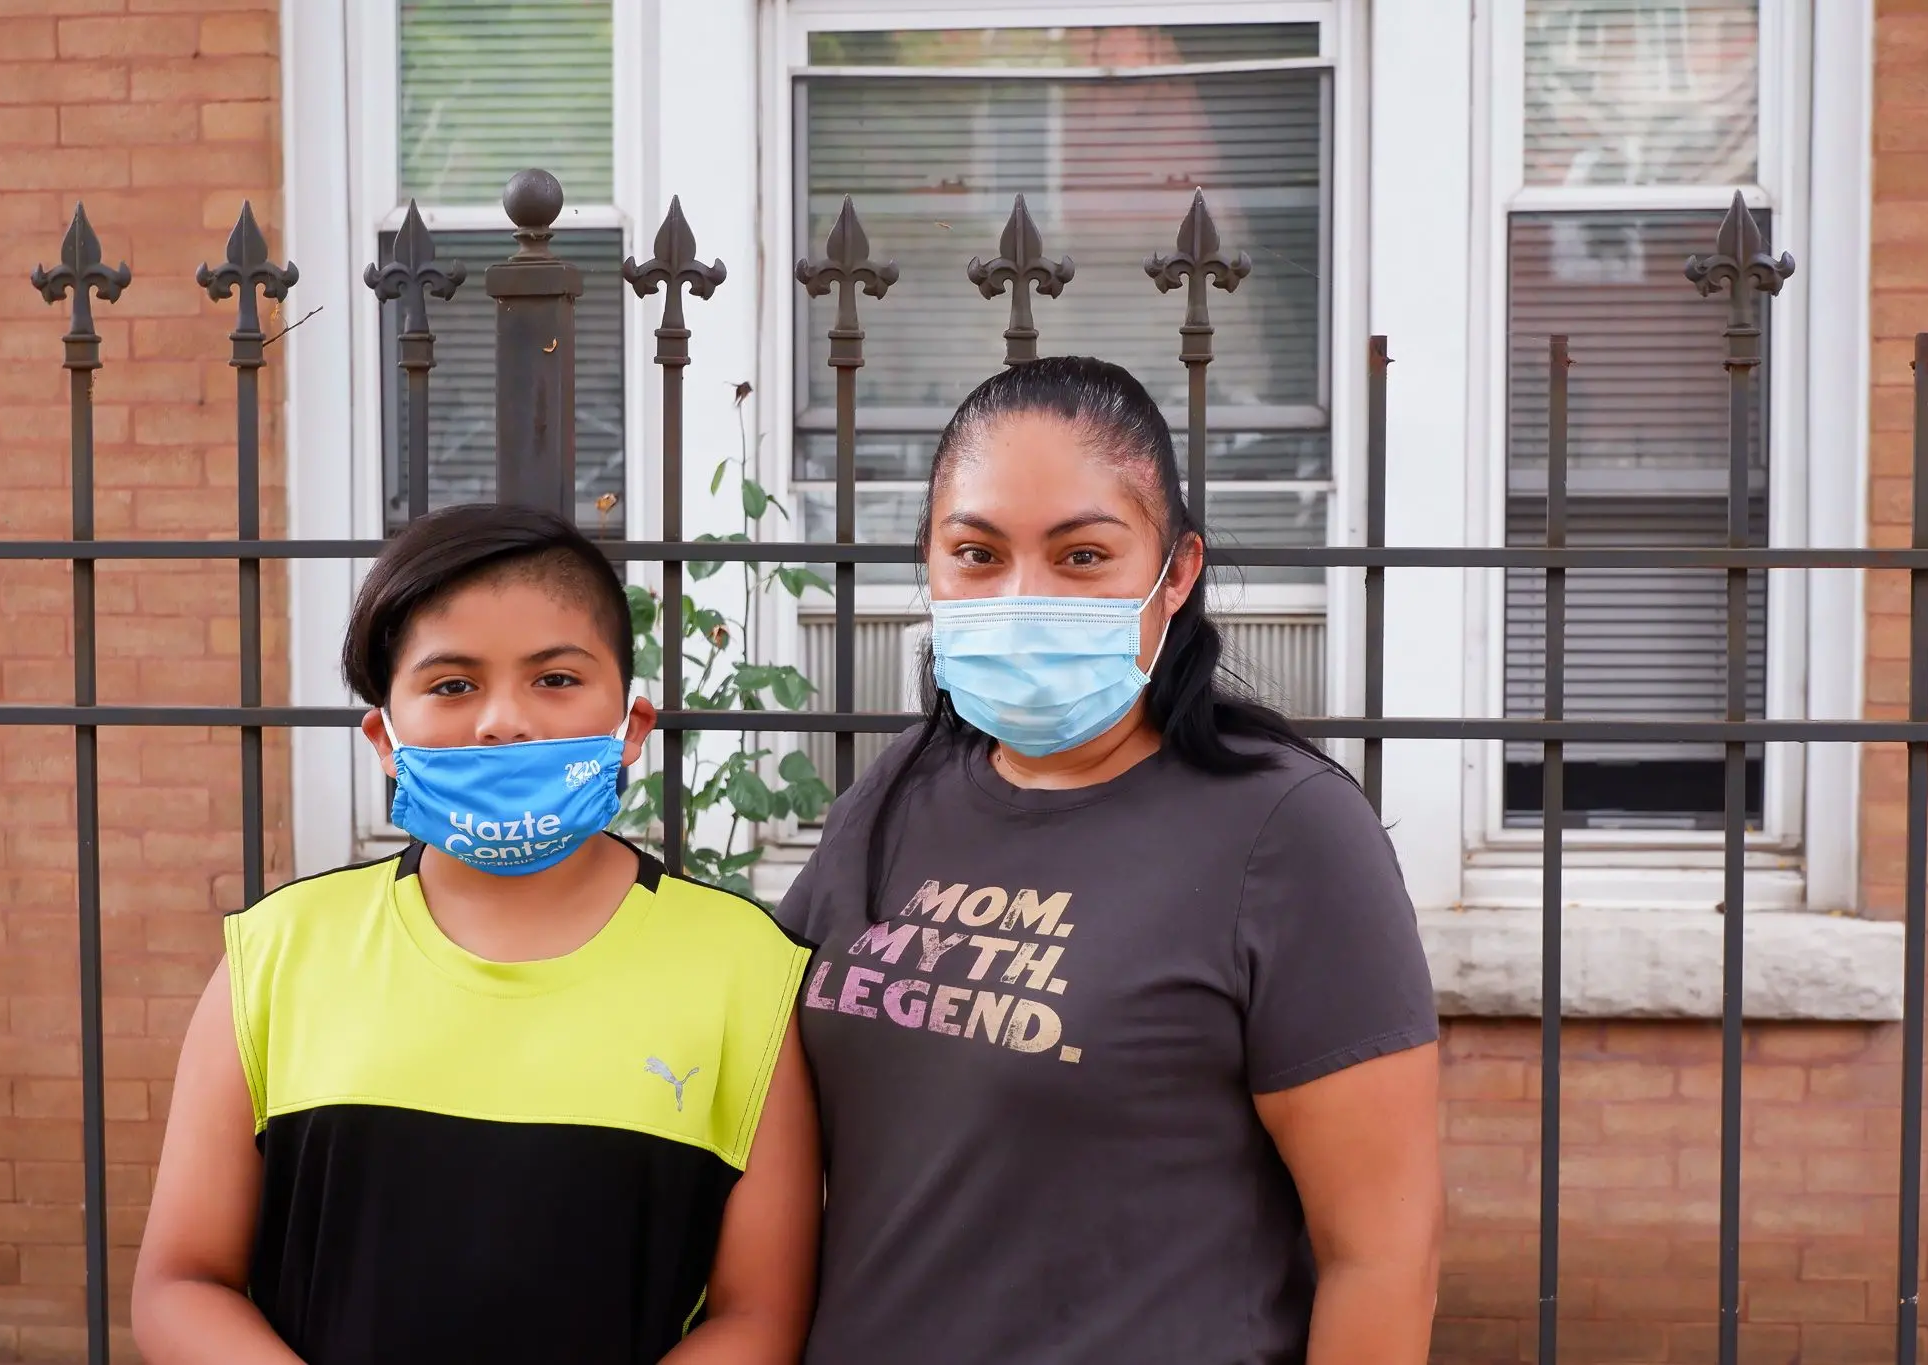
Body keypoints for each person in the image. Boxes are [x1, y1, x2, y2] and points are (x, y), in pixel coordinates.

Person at [776, 356, 1444, 1365]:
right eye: (976, 553)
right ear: (929, 562)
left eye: (1081, 556)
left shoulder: (1287, 831)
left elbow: (1384, 1256)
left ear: (1173, 572)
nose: (1021, 595)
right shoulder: (895, 795)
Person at [132, 504, 820, 1365]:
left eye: (557, 679)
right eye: (452, 685)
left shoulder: (744, 971)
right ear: (387, 738)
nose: (504, 720)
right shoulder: (277, 955)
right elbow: (180, 1284)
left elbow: (758, 1317)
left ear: (632, 726)